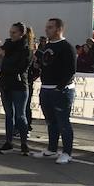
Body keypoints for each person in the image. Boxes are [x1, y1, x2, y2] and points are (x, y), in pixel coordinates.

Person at [33, 18, 77, 164]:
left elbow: (71, 70)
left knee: (63, 122)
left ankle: (67, 152)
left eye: (50, 27)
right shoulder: (46, 46)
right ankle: (52, 149)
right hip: (46, 88)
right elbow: (45, 65)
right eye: (47, 27)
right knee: (51, 121)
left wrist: (60, 87)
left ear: (59, 29)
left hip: (61, 90)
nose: (46, 30)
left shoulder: (66, 46)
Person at [0, 22, 32, 155]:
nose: (11, 35)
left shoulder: (26, 49)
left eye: (14, 32)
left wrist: (5, 62)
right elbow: (1, 68)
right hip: (6, 84)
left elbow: (20, 68)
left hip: (19, 85)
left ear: (21, 34)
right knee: (8, 115)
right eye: (10, 32)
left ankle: (24, 143)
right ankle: (8, 142)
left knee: (20, 115)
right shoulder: (7, 47)